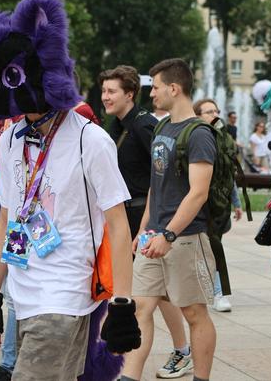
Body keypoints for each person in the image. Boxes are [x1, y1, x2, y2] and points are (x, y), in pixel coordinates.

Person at [0, 0, 140, 381]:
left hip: (67, 293)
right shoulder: (9, 139)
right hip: (21, 295)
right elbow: (7, 217)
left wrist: (124, 303)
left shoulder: (89, 140)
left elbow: (118, 224)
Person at [122, 58, 217, 381]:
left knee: (193, 313)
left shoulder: (199, 134)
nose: (153, 94)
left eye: (157, 88)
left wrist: (169, 235)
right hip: (154, 236)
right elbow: (155, 184)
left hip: (185, 239)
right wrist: (144, 229)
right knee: (140, 308)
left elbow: (198, 193)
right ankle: (129, 377)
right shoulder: (162, 127)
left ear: (174, 89)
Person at [100, 65, 193, 379]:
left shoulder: (143, 126)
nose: (105, 97)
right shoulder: (115, 126)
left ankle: (171, 354)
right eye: (103, 91)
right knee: (155, 294)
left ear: (129, 94)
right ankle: (182, 350)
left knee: (148, 296)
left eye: (112, 91)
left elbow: (161, 174)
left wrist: (154, 224)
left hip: (145, 216)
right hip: (125, 215)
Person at [193, 98, 243, 313]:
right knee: (194, 251)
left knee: (215, 248)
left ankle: (219, 293)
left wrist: (236, 202)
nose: (214, 114)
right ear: (197, 115)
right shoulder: (194, 137)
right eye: (208, 111)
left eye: (215, 110)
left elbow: (228, 175)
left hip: (217, 205)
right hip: (195, 203)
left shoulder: (224, 140)